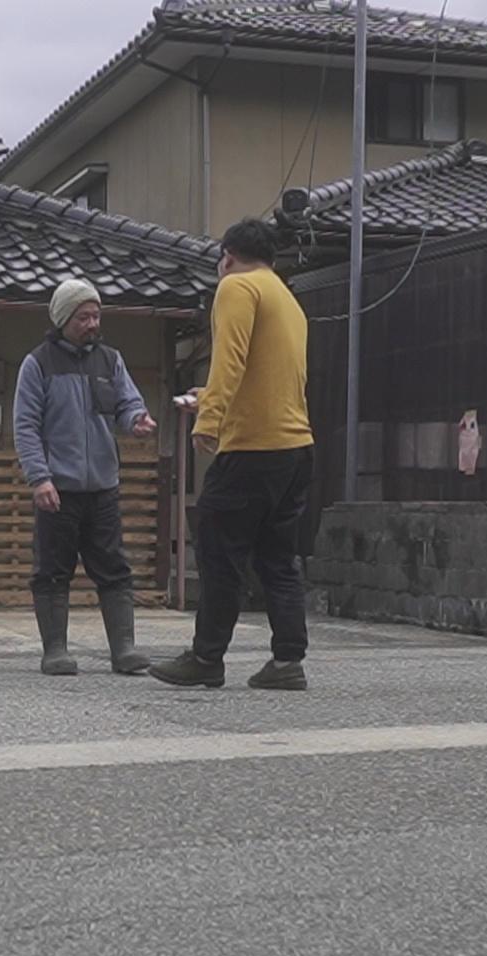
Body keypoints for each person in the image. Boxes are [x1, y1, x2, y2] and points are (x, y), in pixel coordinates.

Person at [151, 219, 314, 692]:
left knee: (220, 551)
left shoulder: (237, 288)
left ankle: (206, 657)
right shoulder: (287, 298)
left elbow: (230, 358)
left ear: (227, 255)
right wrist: (214, 398)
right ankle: (288, 660)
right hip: (296, 446)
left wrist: (209, 419)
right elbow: (267, 376)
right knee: (278, 558)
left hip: (252, 448)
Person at [14, 278, 159, 676]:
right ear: (63, 319)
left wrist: (137, 420)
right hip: (57, 488)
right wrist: (38, 478)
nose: (92, 323)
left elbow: (128, 403)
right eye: (83, 317)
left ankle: (124, 649)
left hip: (103, 488)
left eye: (96, 315)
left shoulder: (111, 360)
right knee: (53, 570)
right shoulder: (37, 364)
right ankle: (55, 651)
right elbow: (25, 425)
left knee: (113, 566)